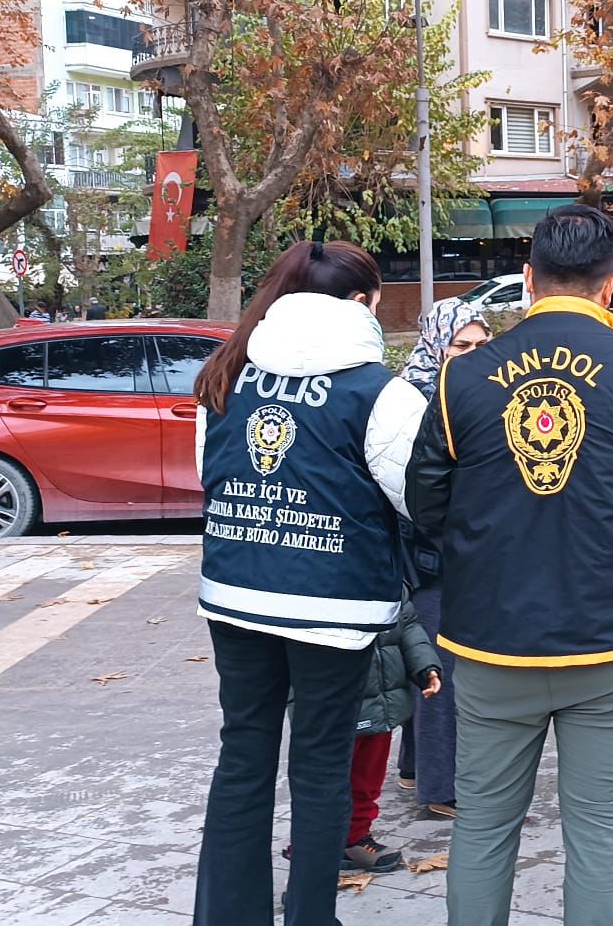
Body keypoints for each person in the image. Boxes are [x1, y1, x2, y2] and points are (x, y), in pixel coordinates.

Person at [407, 204, 613, 926]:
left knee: (482, 826)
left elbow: (426, 506)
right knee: (602, 837)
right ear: (610, 286)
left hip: (490, 645)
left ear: (527, 280)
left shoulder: (461, 379)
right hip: (612, 641)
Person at [189, 239, 427, 926]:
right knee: (321, 768)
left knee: (243, 756)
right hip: (334, 606)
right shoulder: (380, 393)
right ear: (359, 303)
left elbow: (215, 475)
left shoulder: (224, 374)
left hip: (235, 595)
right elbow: (415, 499)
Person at [393, 298, 492, 821]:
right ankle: (441, 785)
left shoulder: (469, 394)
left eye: (481, 345)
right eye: (461, 345)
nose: (472, 355)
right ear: (436, 345)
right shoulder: (414, 397)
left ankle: (415, 768)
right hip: (428, 553)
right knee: (441, 669)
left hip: (449, 549)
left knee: (428, 662)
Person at [311, 596, 444, 874]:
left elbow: (408, 624)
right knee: (325, 778)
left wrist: (425, 666)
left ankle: (355, 837)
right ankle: (311, 847)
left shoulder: (387, 570)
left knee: (368, 776)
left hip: (382, 697)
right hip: (333, 697)